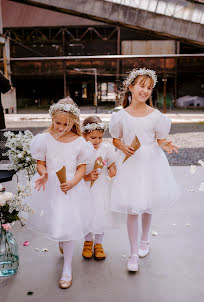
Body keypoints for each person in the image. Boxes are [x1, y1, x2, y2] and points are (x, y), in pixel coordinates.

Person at [109, 68, 180, 272]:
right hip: (130, 164)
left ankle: (145, 240)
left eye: (149, 87)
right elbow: (115, 138)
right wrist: (121, 147)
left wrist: (166, 145)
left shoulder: (156, 116)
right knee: (133, 208)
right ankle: (132, 253)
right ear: (130, 87)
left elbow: (160, 139)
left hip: (150, 163)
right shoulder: (120, 116)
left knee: (147, 205)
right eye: (141, 85)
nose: (145, 90)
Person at [28, 97, 94, 289]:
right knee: (57, 220)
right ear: (52, 120)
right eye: (58, 123)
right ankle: (63, 243)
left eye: (66, 124)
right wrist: (44, 173)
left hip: (70, 188)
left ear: (74, 122)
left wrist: (73, 182)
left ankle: (67, 268)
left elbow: (82, 168)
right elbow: (41, 163)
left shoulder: (80, 142)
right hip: (51, 187)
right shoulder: (44, 140)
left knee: (67, 225)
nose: (61, 128)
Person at [82, 116, 116, 261]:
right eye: (93, 137)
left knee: (101, 213)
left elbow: (111, 162)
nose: (97, 141)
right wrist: (86, 176)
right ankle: (88, 242)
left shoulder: (106, 148)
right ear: (84, 135)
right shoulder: (81, 148)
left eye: (100, 137)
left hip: (101, 186)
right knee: (87, 213)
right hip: (86, 186)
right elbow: (76, 169)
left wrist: (112, 167)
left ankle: (99, 244)